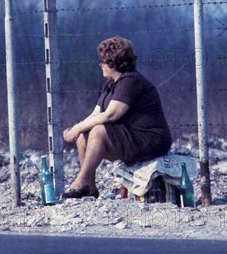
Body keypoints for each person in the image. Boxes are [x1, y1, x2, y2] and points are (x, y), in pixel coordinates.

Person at [62, 36, 172, 199]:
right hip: (131, 137)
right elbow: (96, 113)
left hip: (150, 139)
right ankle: (89, 188)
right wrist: (76, 129)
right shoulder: (112, 83)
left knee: (98, 131)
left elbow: (111, 115)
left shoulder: (131, 81)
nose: (100, 64)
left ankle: (81, 182)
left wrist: (78, 127)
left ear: (113, 62)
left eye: (102, 61)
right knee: (83, 136)